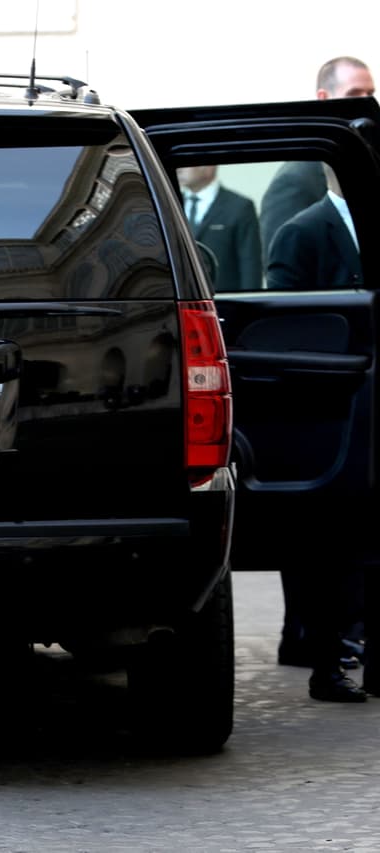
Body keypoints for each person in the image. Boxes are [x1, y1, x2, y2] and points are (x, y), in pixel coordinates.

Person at [265, 165, 367, 701]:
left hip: (372, 402)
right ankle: (324, 655)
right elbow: (284, 316)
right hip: (330, 405)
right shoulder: (302, 230)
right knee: (332, 536)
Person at [259, 56, 376, 256]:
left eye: (370, 94)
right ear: (324, 99)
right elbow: (285, 262)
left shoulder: (368, 161)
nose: (365, 103)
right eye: (354, 95)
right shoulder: (294, 180)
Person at [177, 164, 263, 291]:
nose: (179, 168)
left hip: (224, 301)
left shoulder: (240, 207)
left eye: (187, 162)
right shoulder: (170, 205)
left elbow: (250, 265)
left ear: (209, 167)